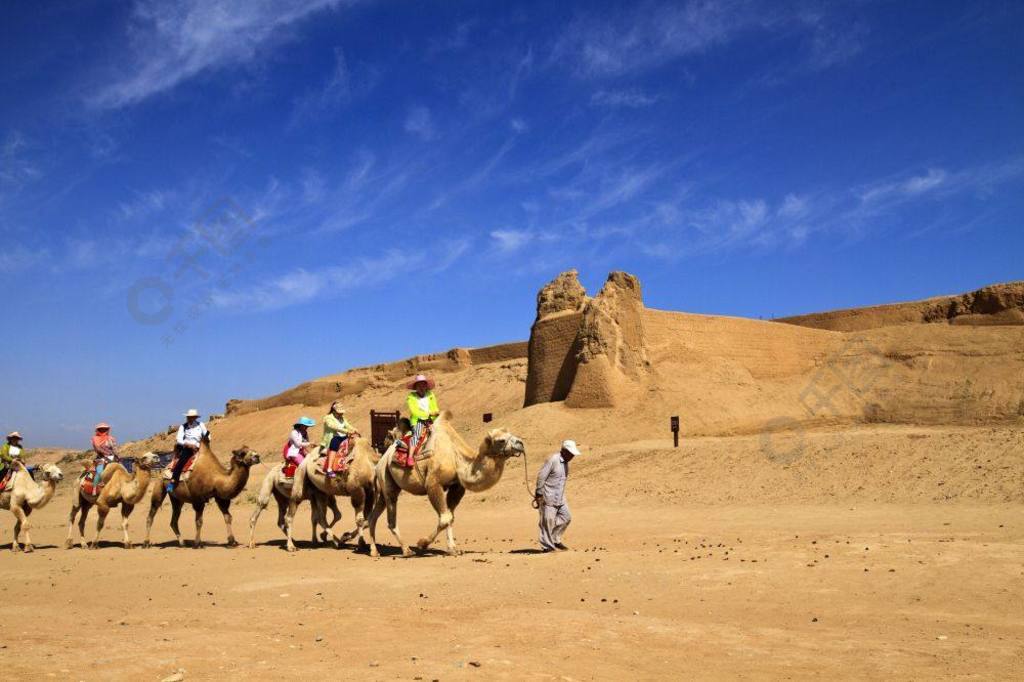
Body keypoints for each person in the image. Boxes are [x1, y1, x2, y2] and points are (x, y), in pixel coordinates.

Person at [534, 440, 581, 552]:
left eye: (573, 454)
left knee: (566, 517)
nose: (572, 456)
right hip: (548, 497)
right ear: (564, 451)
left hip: (560, 497)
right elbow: (541, 476)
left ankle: (555, 539)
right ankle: (547, 547)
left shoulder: (565, 463)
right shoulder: (553, 460)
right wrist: (539, 493)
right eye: (571, 453)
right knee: (547, 522)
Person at [168, 409, 209, 492]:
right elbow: (179, 439)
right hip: (187, 448)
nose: (189, 418)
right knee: (181, 462)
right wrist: (188, 445)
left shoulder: (201, 425)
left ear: (195, 417)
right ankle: (172, 481)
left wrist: (206, 439)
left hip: (200, 447)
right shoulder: (183, 427)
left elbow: (207, 435)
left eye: (191, 417)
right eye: (188, 417)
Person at [404, 374, 439, 458]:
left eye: (423, 385)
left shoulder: (430, 394)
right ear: (416, 387)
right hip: (418, 421)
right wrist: (429, 414)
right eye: (419, 385)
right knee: (417, 434)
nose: (421, 387)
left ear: (426, 386)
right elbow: (414, 411)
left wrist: (435, 414)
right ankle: (410, 456)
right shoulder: (411, 397)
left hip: (431, 420)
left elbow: (435, 408)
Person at [321, 402, 358, 477]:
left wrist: (354, 429)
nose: (341, 414)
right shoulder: (328, 418)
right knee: (334, 446)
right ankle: (329, 469)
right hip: (333, 437)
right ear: (334, 411)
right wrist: (346, 431)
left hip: (343, 436)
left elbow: (347, 425)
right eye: (339, 412)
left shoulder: (342, 418)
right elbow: (333, 426)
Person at [90, 423, 118, 492]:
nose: (103, 430)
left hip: (112, 457)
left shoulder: (111, 438)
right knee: (100, 472)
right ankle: (95, 487)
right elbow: (97, 448)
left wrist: (117, 455)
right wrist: (106, 453)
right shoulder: (95, 438)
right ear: (98, 430)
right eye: (101, 429)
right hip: (101, 457)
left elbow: (114, 448)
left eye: (105, 429)